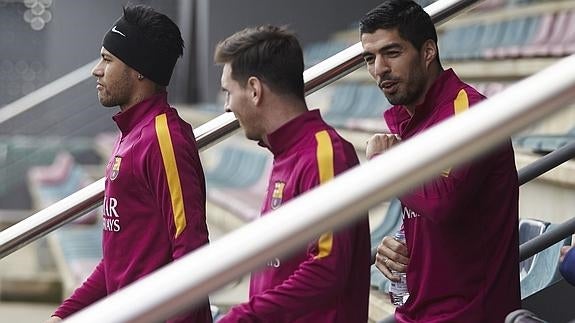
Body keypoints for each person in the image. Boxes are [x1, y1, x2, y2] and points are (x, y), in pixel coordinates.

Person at [46, 5, 212, 322]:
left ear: (139, 70)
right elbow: (118, 259)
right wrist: (64, 314)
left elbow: (191, 255)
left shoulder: (165, 140)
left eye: (107, 59)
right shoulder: (130, 135)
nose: (96, 70)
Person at [360, 1, 520, 322]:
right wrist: (400, 246)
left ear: (428, 51)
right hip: (417, 310)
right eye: (370, 58)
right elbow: (431, 214)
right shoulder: (412, 122)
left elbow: (443, 201)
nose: (379, 68)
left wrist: (387, 166)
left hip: (470, 313)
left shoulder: (470, 111)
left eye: (392, 53)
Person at [213, 25, 371, 322]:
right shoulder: (287, 152)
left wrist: (245, 317)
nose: (226, 106)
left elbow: (327, 266)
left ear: (254, 90)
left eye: (228, 92)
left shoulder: (325, 154)